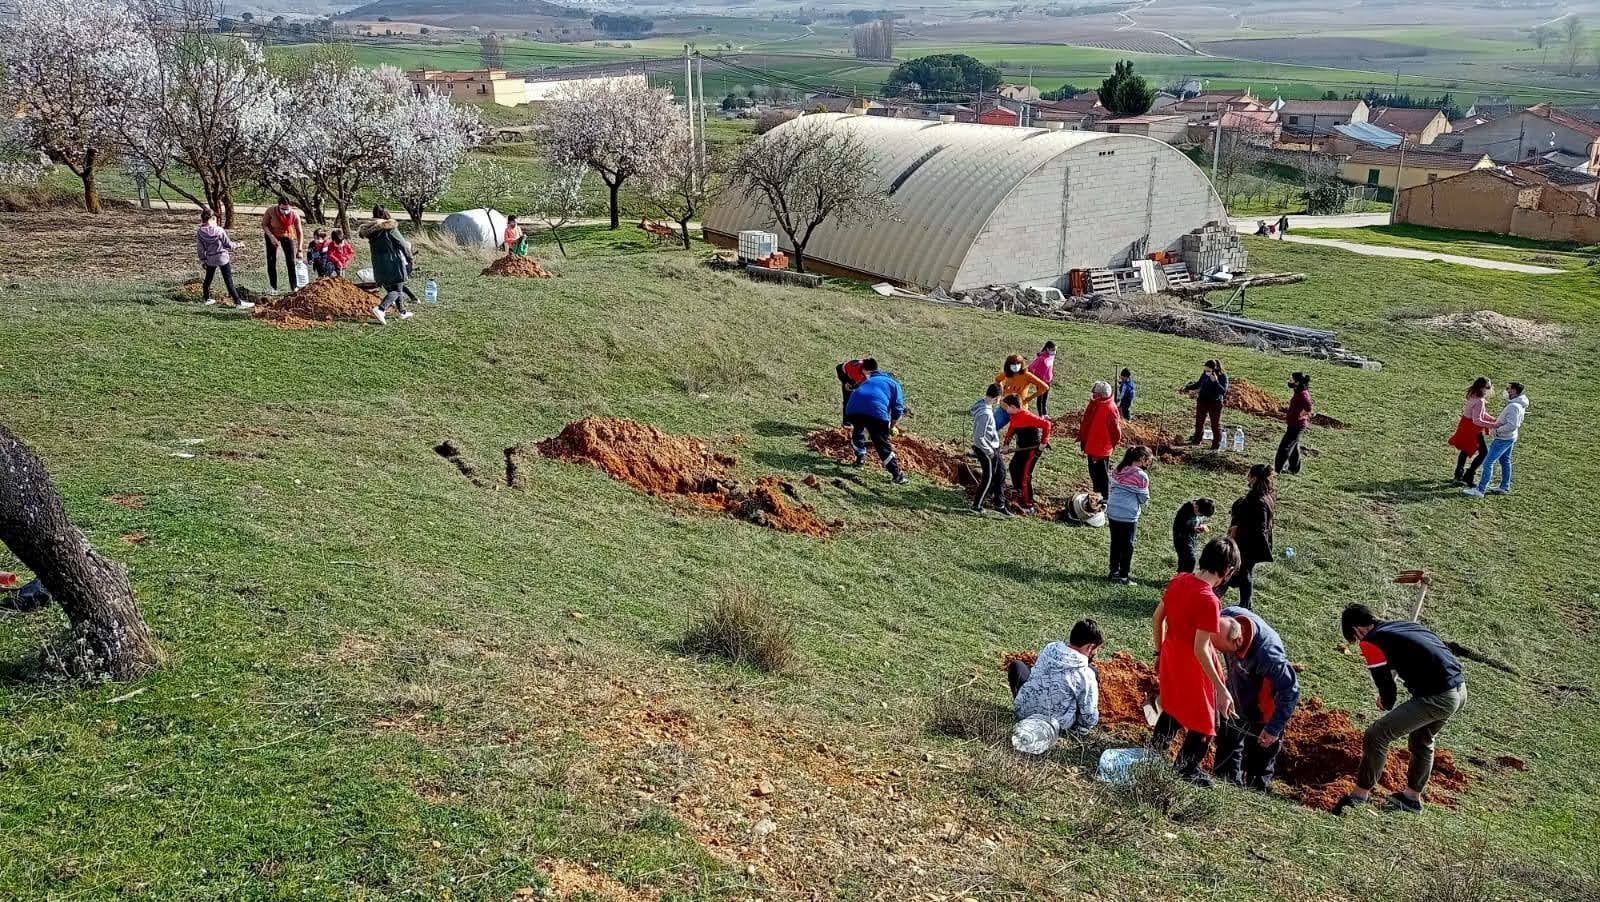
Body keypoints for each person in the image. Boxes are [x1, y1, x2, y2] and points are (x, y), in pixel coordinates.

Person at [1333, 604, 1467, 814]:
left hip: (1438, 696)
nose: (1358, 642)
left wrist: (1384, 702)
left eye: (1355, 637)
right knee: (1422, 739)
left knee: (1377, 734)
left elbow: (1386, 686)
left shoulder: (1371, 641)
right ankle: (1411, 798)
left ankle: (1360, 795)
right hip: (1459, 691)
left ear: (1357, 630)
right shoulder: (1402, 625)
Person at [1151, 537, 1240, 785]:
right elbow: (1200, 648)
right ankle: (1186, 767)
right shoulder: (1209, 600)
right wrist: (1221, 689)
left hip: (1171, 654)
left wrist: (1159, 653)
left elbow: (1157, 618)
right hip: (1192, 664)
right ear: (1228, 571)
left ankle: (1155, 751)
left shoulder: (1178, 580)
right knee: (1205, 719)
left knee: (1173, 704)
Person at [1212, 606, 1300, 790]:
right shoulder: (1228, 616)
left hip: (1264, 706)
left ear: (1238, 641)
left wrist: (1274, 728)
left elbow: (1290, 690)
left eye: (1224, 650)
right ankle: (1226, 781)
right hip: (1236, 693)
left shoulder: (1268, 656)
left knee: (1260, 754)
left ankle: (1256, 790)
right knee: (1228, 742)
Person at [1009, 619, 1105, 736]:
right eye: (1096, 650)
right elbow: (1089, 717)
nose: (1095, 654)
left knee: (1018, 666)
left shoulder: (1050, 648)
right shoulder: (1086, 674)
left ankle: (1027, 705)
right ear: (1090, 647)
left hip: (1023, 714)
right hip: (1054, 726)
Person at [1219, 464, 1275, 609]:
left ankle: (1244, 605)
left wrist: (1238, 531)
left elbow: (1259, 527)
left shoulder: (1257, 500)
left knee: (1241, 572)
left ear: (1254, 478)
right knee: (1243, 572)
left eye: (1249, 475)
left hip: (1248, 544)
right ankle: (1244, 603)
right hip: (1250, 544)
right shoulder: (1267, 495)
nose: (1247, 478)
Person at [844, 361, 908, 485]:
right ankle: (897, 475)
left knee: (858, 429)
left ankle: (860, 458)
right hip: (876, 412)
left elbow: (859, 392)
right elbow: (898, 409)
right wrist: (892, 426)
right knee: (881, 443)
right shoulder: (895, 385)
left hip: (852, 408)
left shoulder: (868, 379)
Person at [1465, 382, 1528, 498]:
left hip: (1503, 438)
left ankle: (1480, 490)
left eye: (1508, 389)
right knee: (1505, 461)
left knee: (1488, 462)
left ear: (1513, 391)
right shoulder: (1518, 404)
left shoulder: (1514, 407)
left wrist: (1497, 430)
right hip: (1510, 437)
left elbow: (1512, 425)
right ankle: (1504, 486)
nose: (1506, 391)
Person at [359, 206, 415, 325]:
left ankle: (402, 312)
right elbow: (402, 244)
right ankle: (380, 309)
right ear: (386, 215)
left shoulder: (371, 231)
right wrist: (410, 258)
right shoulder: (390, 228)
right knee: (397, 290)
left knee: (392, 288)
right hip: (393, 262)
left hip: (378, 264)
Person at [1105, 445, 1152, 585]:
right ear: (1143, 459)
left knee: (1115, 542)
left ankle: (1114, 571)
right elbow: (1143, 498)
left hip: (1113, 511)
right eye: (1148, 460)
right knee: (1127, 546)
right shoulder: (1141, 476)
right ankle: (1123, 576)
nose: (1148, 463)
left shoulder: (1118, 469)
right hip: (1128, 514)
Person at [1001, 394, 1052, 514]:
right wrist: (1006, 444)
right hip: (1021, 448)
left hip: (1032, 450)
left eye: (1006, 407)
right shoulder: (1014, 416)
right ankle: (1018, 490)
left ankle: (1029, 504)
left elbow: (1047, 425)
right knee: (1014, 467)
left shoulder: (1027, 416)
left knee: (1025, 476)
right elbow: (1011, 430)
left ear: (1013, 407)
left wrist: (1043, 443)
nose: (1005, 409)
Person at [194, 207, 253, 310]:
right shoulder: (219, 230)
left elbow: (200, 249)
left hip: (210, 259)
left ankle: (207, 299)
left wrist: (203, 260)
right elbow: (228, 244)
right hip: (222, 258)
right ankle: (238, 302)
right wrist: (239, 244)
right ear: (212, 218)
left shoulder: (200, 232)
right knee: (228, 281)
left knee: (208, 280)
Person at [1076, 380, 1121, 500]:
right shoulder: (1096, 404)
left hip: (1100, 448)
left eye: (1095, 394)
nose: (1092, 395)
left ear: (1101, 395)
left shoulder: (1110, 409)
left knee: (1101, 475)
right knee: (1094, 473)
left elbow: (1115, 432)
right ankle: (1097, 494)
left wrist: (1110, 446)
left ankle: (1104, 498)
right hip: (1091, 444)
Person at [969, 383, 1009, 515]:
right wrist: (990, 452)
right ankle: (977, 505)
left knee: (1001, 473)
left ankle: (999, 503)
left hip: (993, 447)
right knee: (988, 476)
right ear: (997, 398)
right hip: (986, 449)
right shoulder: (985, 413)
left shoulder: (982, 404)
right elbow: (978, 437)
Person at [1448, 377, 1495, 485]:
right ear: (1482, 388)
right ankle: (1469, 475)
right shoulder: (1479, 401)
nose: (1489, 390)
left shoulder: (1472, 395)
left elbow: (1480, 413)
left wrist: (1492, 419)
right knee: (1484, 452)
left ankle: (1458, 475)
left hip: (1465, 424)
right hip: (1472, 428)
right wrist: (1494, 424)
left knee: (1464, 450)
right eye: (1487, 387)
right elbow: (1477, 419)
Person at [995, 354, 1049, 432]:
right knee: (992, 427)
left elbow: (1044, 387)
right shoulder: (1007, 373)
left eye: (1018, 364)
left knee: (1021, 435)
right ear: (1008, 365)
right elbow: (997, 380)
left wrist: (1029, 398)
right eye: (1013, 364)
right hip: (1005, 408)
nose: (1016, 366)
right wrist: (1001, 391)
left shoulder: (1027, 375)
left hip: (1020, 410)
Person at [261, 195, 304, 293]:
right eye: (283, 209)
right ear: (279, 206)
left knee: (291, 261)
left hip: (287, 235)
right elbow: (264, 225)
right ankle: (273, 287)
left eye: (287, 209)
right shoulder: (271, 211)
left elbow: (299, 232)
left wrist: (300, 249)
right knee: (271, 260)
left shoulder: (294, 214)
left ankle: (294, 287)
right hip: (272, 235)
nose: (285, 211)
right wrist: (272, 238)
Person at [1184, 359, 1229, 450]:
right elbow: (1199, 384)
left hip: (1215, 403)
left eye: (1208, 370)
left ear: (1214, 369)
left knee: (1215, 424)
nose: (1206, 372)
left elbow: (1223, 391)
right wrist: (1187, 387)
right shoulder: (1204, 374)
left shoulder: (1222, 377)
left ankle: (1216, 445)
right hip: (1202, 401)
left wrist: (1215, 382)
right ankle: (1197, 439)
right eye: (1205, 370)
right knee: (1199, 422)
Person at [1275, 372, 1312, 475]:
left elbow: (1308, 407)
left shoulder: (1303, 394)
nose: (1289, 381)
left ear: (1297, 382)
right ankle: (1294, 468)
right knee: (1294, 446)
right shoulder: (1298, 391)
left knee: (1284, 448)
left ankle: (1277, 470)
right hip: (1293, 424)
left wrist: (1301, 415)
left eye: (1291, 380)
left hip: (1297, 426)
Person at [1171, 497, 1215, 574]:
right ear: (1197, 507)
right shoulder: (1185, 511)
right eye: (1201, 514)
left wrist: (1201, 526)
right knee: (1190, 560)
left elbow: (1198, 520)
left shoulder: (1198, 509)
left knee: (1184, 561)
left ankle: (1181, 576)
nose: (1201, 516)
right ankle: (1185, 577)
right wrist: (1193, 529)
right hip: (1181, 539)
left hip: (1191, 539)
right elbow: (1180, 526)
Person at [836, 358, 870, 427]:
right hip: (844, 374)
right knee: (848, 400)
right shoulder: (856, 371)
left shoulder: (869, 371)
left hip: (854, 376)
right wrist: (845, 382)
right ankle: (846, 423)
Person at [1027, 342, 1057, 415]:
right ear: (1047, 349)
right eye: (1053, 349)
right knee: (1040, 398)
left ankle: (1045, 414)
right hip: (1041, 381)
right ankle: (1041, 415)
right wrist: (1034, 378)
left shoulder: (1051, 356)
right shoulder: (1041, 358)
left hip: (1048, 380)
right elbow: (1031, 367)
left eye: (1055, 350)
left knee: (1045, 399)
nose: (1054, 351)